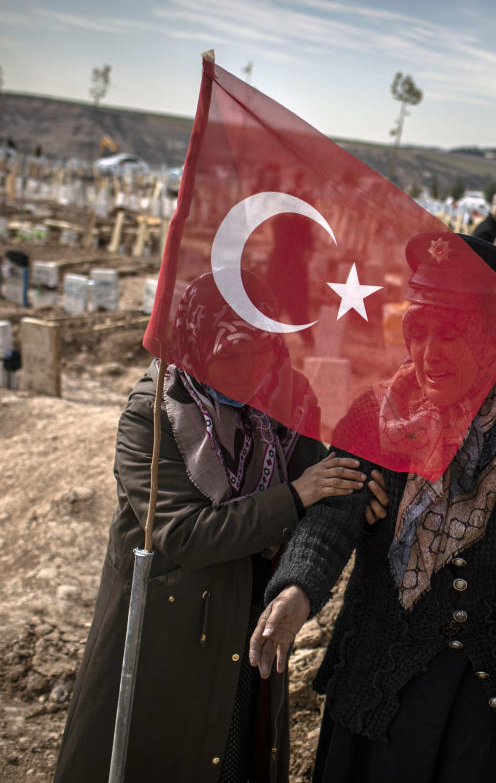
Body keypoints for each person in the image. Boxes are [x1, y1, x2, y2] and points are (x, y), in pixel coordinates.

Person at [249, 233, 496, 783]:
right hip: (382, 671)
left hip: (487, 689)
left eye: (450, 336)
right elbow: (333, 516)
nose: (429, 356)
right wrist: (298, 590)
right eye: (419, 333)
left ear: (491, 341)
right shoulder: (375, 416)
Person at [53, 273, 380, 783]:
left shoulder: (289, 399)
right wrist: (296, 495)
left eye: (258, 353)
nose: (245, 374)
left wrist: (363, 496)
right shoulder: (156, 413)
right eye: (229, 355)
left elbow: (324, 488)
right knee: (169, 752)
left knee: (237, 752)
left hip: (252, 611)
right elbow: (184, 534)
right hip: (174, 626)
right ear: (195, 342)